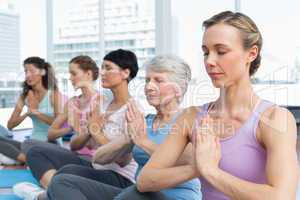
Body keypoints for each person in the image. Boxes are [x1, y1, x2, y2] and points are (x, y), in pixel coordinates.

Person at [136, 11, 299, 200]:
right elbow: (145, 180)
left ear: (251, 54)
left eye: (221, 51)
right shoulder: (191, 117)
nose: (209, 61)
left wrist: (211, 171)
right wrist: (195, 168)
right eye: (206, 52)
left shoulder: (273, 119)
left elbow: (282, 196)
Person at [43, 55, 201, 200]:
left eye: (158, 81)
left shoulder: (187, 119)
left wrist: (143, 142)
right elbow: (99, 157)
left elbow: (190, 161)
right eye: (147, 80)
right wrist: (129, 138)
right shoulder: (142, 122)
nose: (149, 86)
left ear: (178, 87)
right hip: (139, 193)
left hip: (171, 197)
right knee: (62, 182)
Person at [14, 50, 139, 200]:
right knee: (65, 171)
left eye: (108, 68)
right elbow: (83, 143)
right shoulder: (103, 103)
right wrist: (87, 130)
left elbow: (121, 160)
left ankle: (44, 196)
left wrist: (94, 130)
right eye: (102, 68)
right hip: (97, 166)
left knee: (62, 180)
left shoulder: (132, 110)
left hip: (120, 178)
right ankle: (52, 194)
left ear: (125, 73)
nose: (103, 73)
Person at [0, 57, 63, 165]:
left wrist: (36, 112)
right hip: (30, 143)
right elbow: (10, 125)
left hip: (52, 144)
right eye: (26, 71)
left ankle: (28, 160)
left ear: (43, 72)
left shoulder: (53, 94)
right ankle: (28, 159)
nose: (28, 75)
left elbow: (58, 123)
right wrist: (27, 113)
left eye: (32, 71)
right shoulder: (24, 97)